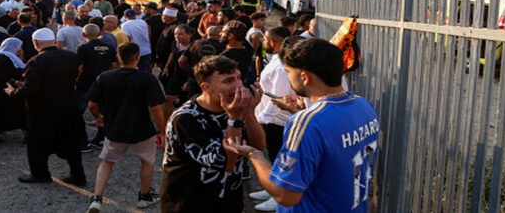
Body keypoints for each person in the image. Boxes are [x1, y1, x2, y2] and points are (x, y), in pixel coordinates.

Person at [223, 38, 379, 212]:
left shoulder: (306, 122)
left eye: (289, 72)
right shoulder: (364, 106)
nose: (289, 79)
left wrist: (254, 155)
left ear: (304, 77)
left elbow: (285, 195)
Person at [160, 56, 265, 212]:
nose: (238, 86)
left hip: (228, 200)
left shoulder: (234, 108)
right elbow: (225, 164)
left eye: (238, 78)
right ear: (206, 87)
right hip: (189, 203)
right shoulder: (185, 119)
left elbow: (258, 146)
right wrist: (234, 119)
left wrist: (249, 113)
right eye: (228, 81)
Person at [86, 42, 166, 212]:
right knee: (147, 161)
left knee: (107, 162)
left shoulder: (105, 77)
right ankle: (144, 196)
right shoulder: (147, 79)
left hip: (115, 128)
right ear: (137, 58)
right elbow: (156, 109)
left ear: (118, 57)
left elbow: (92, 104)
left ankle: (96, 198)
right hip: (142, 129)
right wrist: (163, 131)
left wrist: (98, 117)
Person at [6, 28, 87, 185]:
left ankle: (40, 174)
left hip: (43, 111)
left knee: (37, 144)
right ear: (54, 40)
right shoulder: (71, 56)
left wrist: (13, 92)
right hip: (69, 107)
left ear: (35, 43)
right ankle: (78, 176)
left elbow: (31, 88)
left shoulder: (37, 61)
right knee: (71, 143)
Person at [248, 26, 292, 211]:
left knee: (278, 159)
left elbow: (278, 98)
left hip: (276, 121)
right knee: (273, 158)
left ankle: (279, 197)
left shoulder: (283, 68)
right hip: (267, 117)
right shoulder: (276, 60)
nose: (264, 43)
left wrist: (262, 120)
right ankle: (271, 189)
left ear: (273, 42)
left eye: (266, 39)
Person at [76, 24, 117, 150]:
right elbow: (113, 65)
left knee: (77, 112)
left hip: (85, 84)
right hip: (103, 84)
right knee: (103, 111)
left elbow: (80, 67)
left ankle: (82, 142)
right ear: (99, 33)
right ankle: (101, 138)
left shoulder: (83, 48)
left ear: (83, 35)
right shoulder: (109, 47)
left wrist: (75, 79)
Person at [0, 38, 27, 143]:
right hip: (2, 91)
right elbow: (0, 74)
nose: (20, 49)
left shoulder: (11, 57)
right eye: (18, 46)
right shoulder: (3, 57)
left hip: (6, 90)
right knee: (10, 112)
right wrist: (15, 82)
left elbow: (19, 70)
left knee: (14, 112)